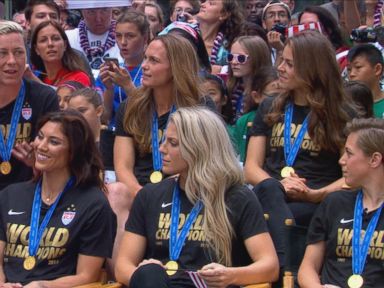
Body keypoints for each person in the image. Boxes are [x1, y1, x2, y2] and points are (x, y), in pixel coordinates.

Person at [115, 106, 279, 288]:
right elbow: (123, 266)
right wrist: (143, 277)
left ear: (198, 148)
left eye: (173, 143)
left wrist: (230, 275)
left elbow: (270, 266)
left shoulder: (238, 197)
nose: (162, 149)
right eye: (164, 141)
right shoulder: (149, 195)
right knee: (150, 272)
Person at [244, 31, 352, 267]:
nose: (280, 68)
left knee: (289, 215)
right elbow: (250, 167)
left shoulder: (341, 113)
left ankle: (279, 269)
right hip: (271, 193)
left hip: (317, 199)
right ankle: (284, 268)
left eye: (289, 64)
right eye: (281, 60)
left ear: (312, 68)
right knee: (266, 201)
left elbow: (352, 176)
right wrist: (276, 187)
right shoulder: (270, 106)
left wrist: (315, 194)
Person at [0, 110, 116, 286]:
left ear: (74, 151)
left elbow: (87, 276)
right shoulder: (11, 194)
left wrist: (44, 285)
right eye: (40, 137)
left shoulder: (94, 204)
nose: (41, 146)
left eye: (54, 142)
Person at [114, 34, 213, 197]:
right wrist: (144, 197)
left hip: (183, 189)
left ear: (176, 67)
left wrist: (158, 197)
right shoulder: (131, 106)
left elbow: (204, 163)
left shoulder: (200, 106)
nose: (144, 66)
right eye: (145, 58)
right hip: (138, 192)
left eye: (154, 60)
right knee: (115, 191)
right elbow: (122, 167)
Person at [298, 117, 384, 288]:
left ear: (374, 159)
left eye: (349, 153)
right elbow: (307, 268)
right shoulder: (334, 203)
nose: (341, 160)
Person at [0, 21, 58, 191]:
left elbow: (58, 159)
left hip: (29, 191)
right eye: (2, 53)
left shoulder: (44, 97)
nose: (12, 61)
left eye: (18, 52)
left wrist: (38, 161)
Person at [96, 9, 149, 129]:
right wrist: (109, 89)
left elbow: (151, 114)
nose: (123, 42)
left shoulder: (152, 71)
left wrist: (128, 86)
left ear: (145, 39)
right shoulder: (111, 70)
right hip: (113, 137)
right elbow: (104, 118)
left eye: (130, 36)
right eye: (118, 36)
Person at [231, 66, 280, 164]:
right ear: (256, 96)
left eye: (284, 95)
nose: (280, 100)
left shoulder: (287, 120)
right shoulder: (243, 121)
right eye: (273, 96)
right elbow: (235, 155)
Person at [30, 20, 91, 87]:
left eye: (55, 39)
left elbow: (59, 97)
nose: (50, 44)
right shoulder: (34, 79)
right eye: (43, 40)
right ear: (36, 49)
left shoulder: (79, 77)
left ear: (65, 45)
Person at [65, 5, 123, 78]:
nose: (98, 19)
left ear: (112, 10)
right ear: (82, 12)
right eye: (91, 12)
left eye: (104, 10)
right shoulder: (67, 38)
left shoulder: (126, 36)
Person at [225, 35, 272, 124]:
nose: (234, 62)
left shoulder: (266, 93)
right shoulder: (231, 88)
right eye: (231, 57)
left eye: (241, 58)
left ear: (257, 59)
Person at [196, 0, 243, 74]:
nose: (202, 5)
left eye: (211, 3)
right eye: (204, 1)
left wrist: (222, 70)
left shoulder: (228, 47)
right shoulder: (184, 33)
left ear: (223, 15)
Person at [347, 44, 384, 119]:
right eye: (349, 69)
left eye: (358, 67)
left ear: (377, 69)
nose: (351, 74)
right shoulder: (345, 105)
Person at [261, 0, 291, 64]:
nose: (277, 19)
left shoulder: (297, 47)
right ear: (264, 24)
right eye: (271, 16)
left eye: (282, 15)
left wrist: (280, 50)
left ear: (289, 23)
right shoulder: (259, 49)